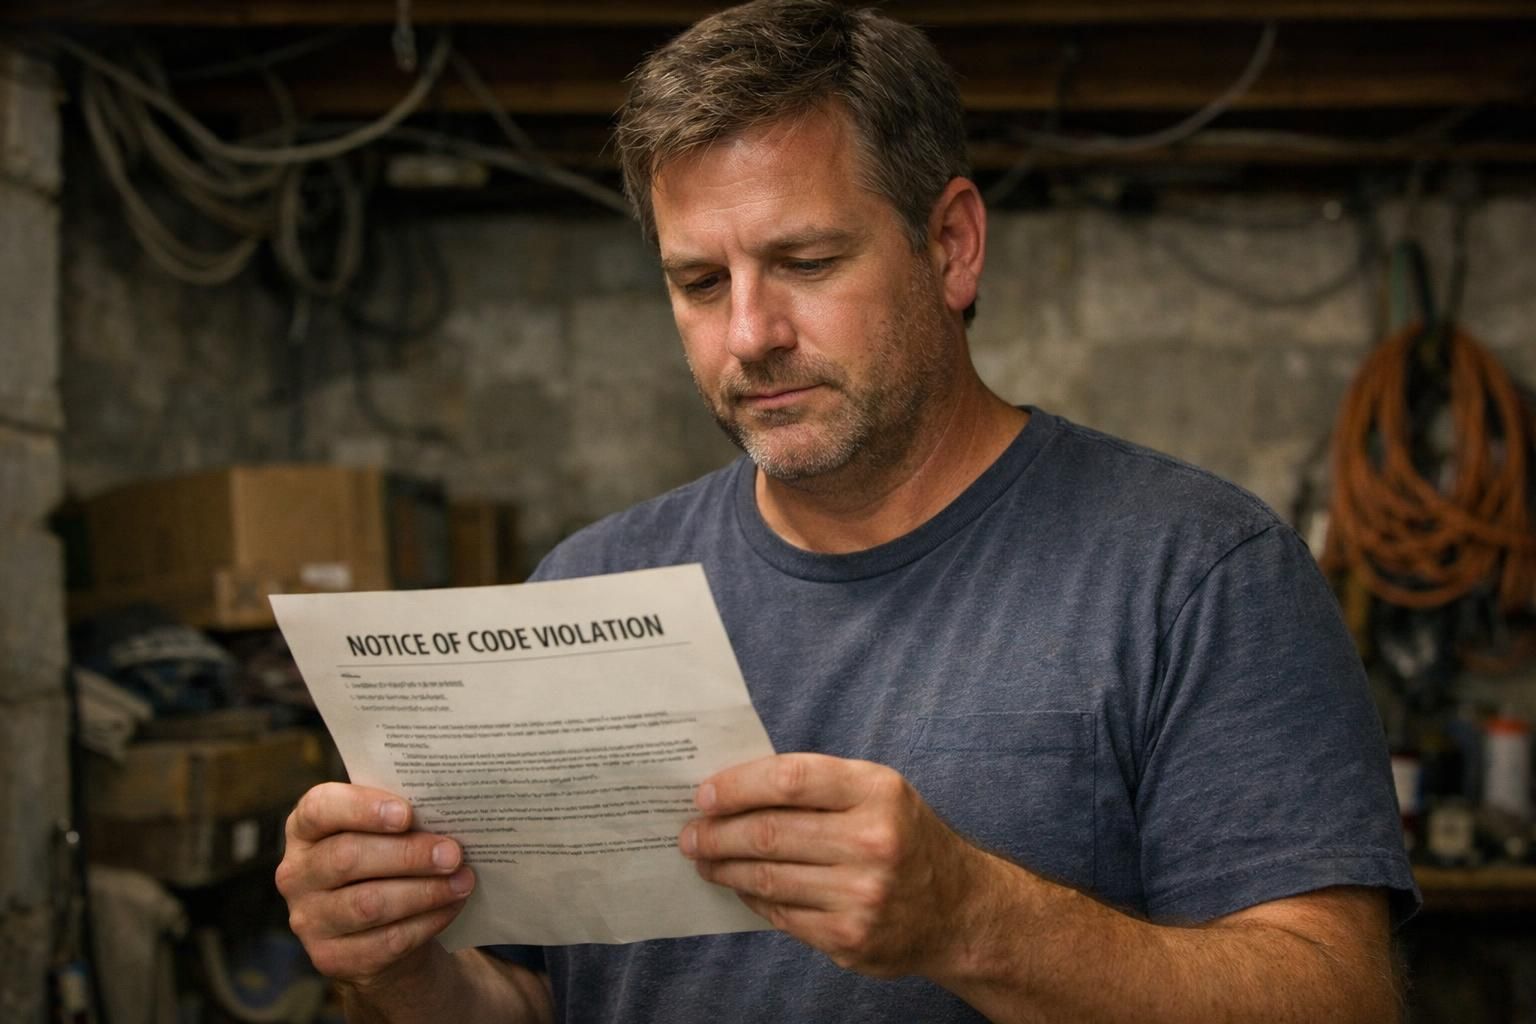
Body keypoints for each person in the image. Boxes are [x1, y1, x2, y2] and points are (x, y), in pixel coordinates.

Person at [275, 2, 1418, 1020]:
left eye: (808, 260)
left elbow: (1341, 994)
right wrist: (400, 966)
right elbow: (527, 996)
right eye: (699, 283)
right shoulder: (585, 585)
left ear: (952, 245)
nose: (750, 334)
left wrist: (974, 918)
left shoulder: (1197, 574)